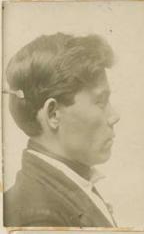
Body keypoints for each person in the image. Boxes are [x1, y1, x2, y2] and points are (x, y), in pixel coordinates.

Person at [4, 33, 120, 227]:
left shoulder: (61, 187)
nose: (114, 116)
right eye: (100, 101)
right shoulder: (39, 221)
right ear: (53, 114)